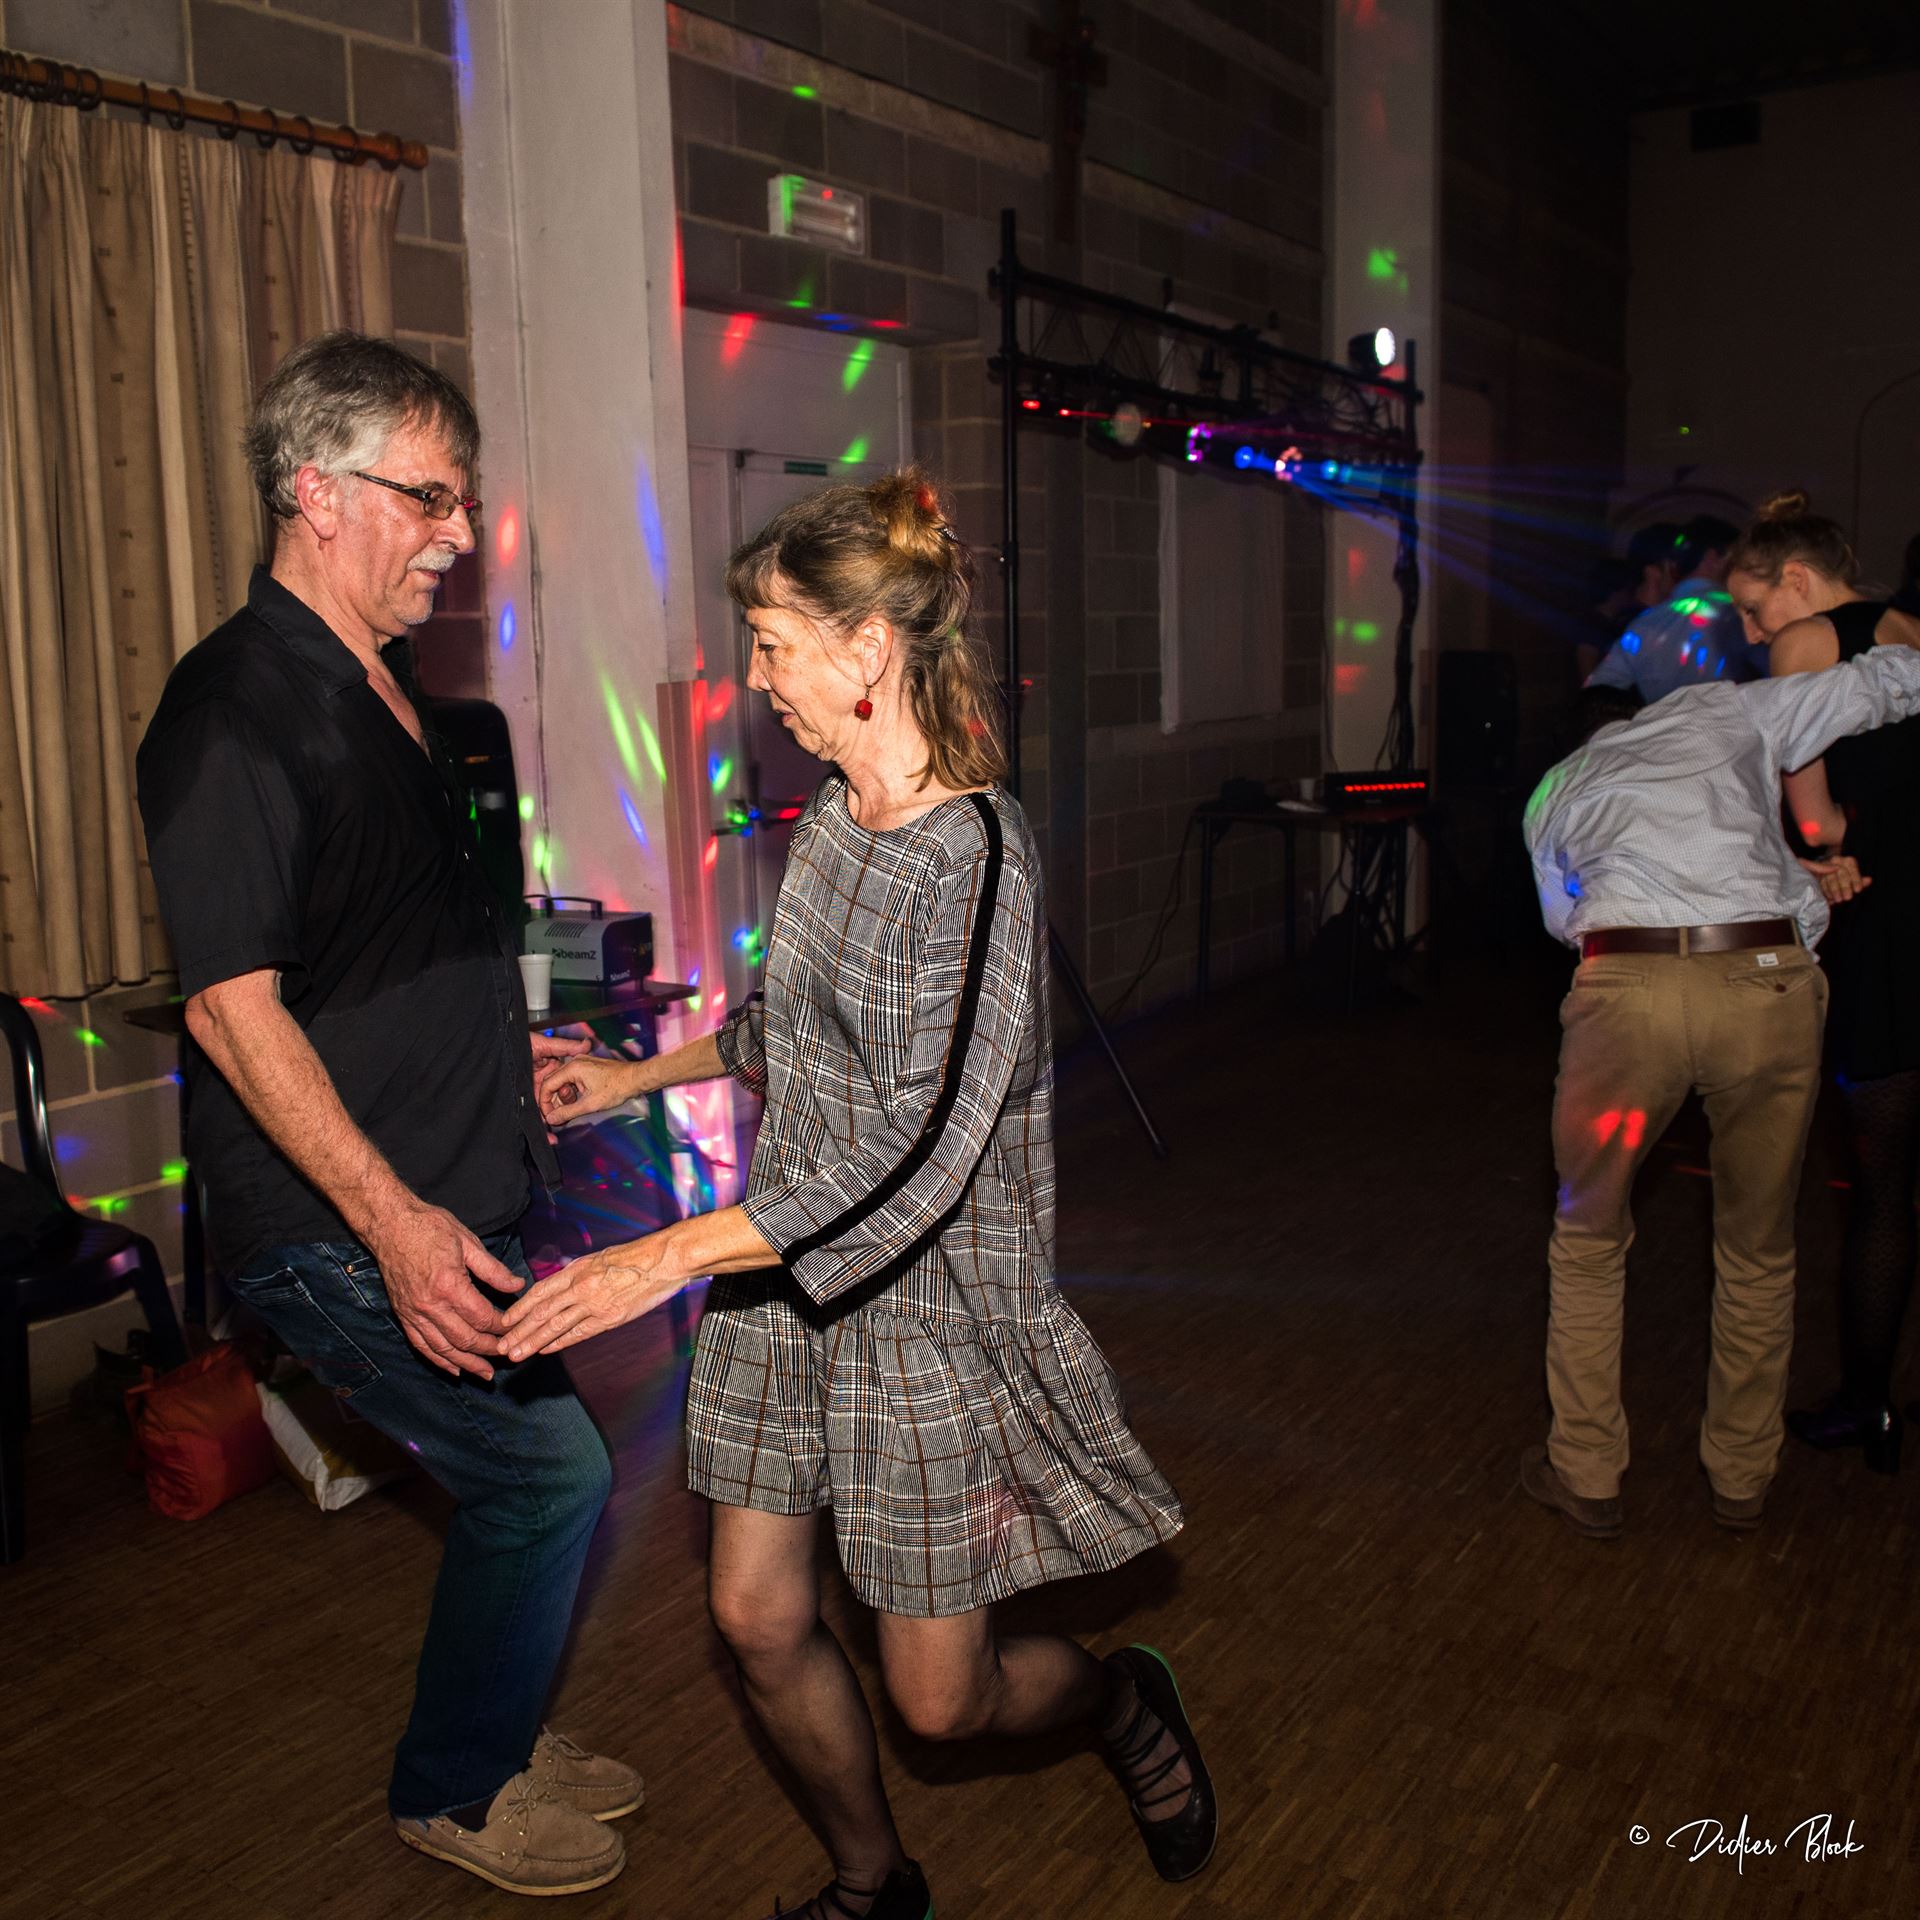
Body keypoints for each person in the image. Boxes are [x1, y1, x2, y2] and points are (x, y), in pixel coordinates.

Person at [507, 470, 1210, 1917]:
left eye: (773, 643)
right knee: (756, 1617)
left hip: (926, 1321)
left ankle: (1121, 1704)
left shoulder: (981, 860)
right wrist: (629, 1078)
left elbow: (920, 1151)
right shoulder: (833, 816)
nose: (757, 676)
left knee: (943, 1704)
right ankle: (873, 1880)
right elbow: (789, 1024)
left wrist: (662, 1258)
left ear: (868, 649)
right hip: (782, 1284)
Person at [136, 333, 639, 1897]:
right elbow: (233, 1008)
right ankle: (456, 1786)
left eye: (460, 501)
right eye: (430, 499)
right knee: (547, 1478)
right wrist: (393, 1223)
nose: (459, 533)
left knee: (545, 1471)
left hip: (452, 1180)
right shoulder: (232, 712)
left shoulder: (390, 683)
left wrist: (516, 1047)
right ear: (316, 492)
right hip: (343, 1221)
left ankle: (496, 1722)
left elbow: (394, 938)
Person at [1519, 636, 1920, 1539]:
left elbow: (1565, 921)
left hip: (1627, 990)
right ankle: (1742, 1478)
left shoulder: (1553, 792)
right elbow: (1875, 686)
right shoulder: (1719, 707)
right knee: (1758, 1246)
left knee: (1588, 1239)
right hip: (1762, 983)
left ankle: (1586, 1471)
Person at [1727, 492, 1920, 1472]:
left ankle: (1867, 1407)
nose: (1753, 634)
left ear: (1797, 583)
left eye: (1753, 609)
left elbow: (1814, 824)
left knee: (1882, 1186)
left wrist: (1836, 845)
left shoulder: (1815, 645)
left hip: (1892, 923)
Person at [1585, 514, 1752, 702]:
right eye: (1738, 561)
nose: (1743, 571)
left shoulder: (1643, 624)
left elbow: (1595, 694)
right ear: (1712, 558)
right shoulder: (1740, 614)